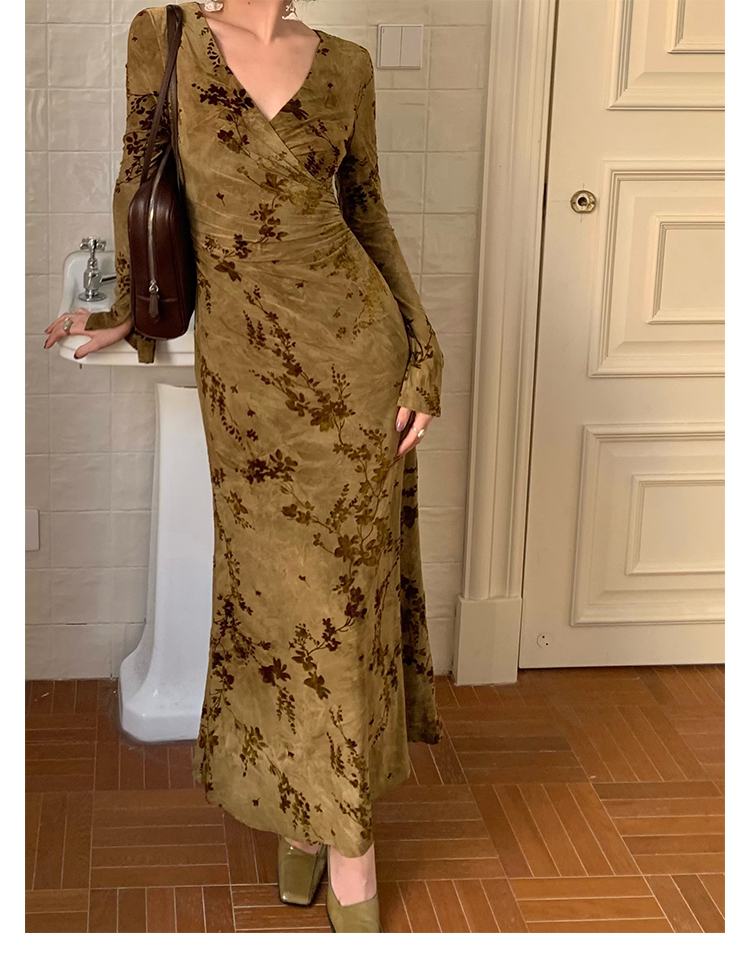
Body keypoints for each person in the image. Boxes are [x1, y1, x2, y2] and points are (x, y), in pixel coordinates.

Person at [44, 0, 444, 933]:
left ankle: (343, 838)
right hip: (249, 379)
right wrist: (127, 311)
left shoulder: (345, 64)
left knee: (342, 602)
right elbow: (139, 180)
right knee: (277, 604)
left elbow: (367, 212)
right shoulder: (167, 36)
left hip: (355, 358)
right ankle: (305, 813)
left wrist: (424, 354)